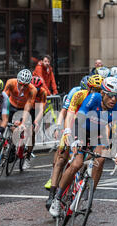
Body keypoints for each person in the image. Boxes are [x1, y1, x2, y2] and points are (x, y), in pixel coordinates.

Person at [49, 77, 117, 217]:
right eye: (110, 95)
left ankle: (87, 197)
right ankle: (57, 198)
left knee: (101, 159)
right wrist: (76, 140)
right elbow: (80, 117)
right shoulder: (93, 98)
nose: (114, 99)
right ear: (102, 93)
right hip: (83, 129)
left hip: (98, 134)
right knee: (77, 163)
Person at [45, 75, 104, 210]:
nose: (96, 92)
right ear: (89, 88)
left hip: (89, 130)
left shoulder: (103, 100)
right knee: (61, 159)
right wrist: (63, 130)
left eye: (99, 90)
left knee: (93, 156)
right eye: (94, 89)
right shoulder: (78, 95)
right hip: (72, 127)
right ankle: (52, 195)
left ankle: (83, 187)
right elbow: (67, 113)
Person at [3, 69, 38, 168]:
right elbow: (4, 98)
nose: (22, 87)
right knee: (12, 127)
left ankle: (28, 157)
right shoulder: (10, 83)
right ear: (18, 81)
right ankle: (12, 146)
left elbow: (28, 106)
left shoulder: (32, 90)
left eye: (25, 85)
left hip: (24, 109)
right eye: (21, 84)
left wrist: (23, 121)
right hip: (12, 106)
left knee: (31, 130)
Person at [25, 76, 49, 170]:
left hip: (37, 111)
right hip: (29, 108)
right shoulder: (28, 90)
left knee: (32, 132)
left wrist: (35, 122)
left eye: (37, 88)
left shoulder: (43, 92)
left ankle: (28, 156)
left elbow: (42, 109)